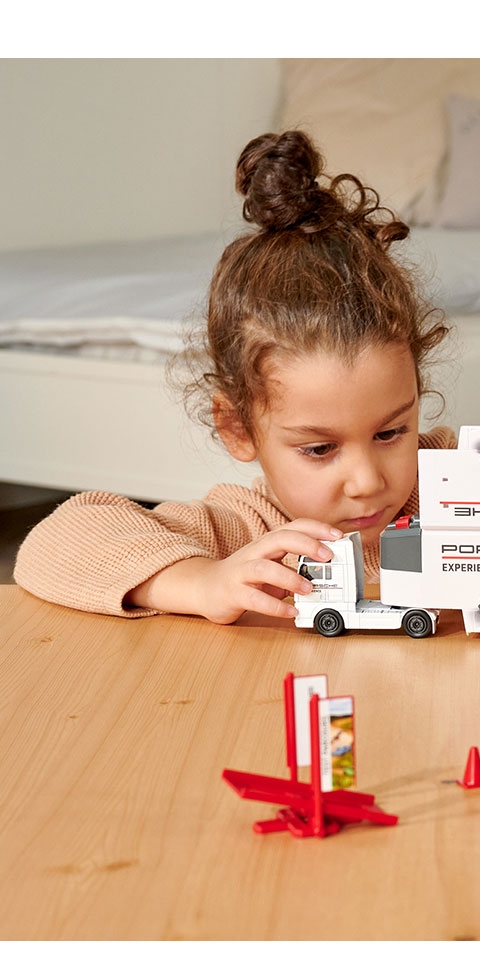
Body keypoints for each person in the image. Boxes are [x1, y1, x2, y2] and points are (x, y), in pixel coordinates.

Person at [14, 130, 455, 624]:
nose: (367, 481)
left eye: (390, 432)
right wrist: (200, 581)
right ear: (237, 427)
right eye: (319, 449)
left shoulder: (456, 481)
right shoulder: (246, 531)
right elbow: (53, 544)